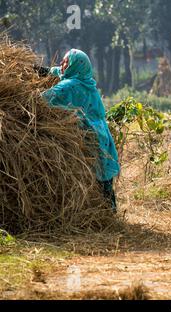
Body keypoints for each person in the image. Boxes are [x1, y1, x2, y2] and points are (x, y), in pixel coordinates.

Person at [40, 49, 120, 211]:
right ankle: (109, 211)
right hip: (102, 134)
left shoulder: (69, 86)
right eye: (62, 61)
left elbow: (42, 99)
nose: (62, 65)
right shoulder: (86, 80)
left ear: (74, 66)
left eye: (65, 62)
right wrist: (47, 71)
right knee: (103, 175)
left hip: (89, 135)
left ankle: (100, 213)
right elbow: (60, 71)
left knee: (91, 174)